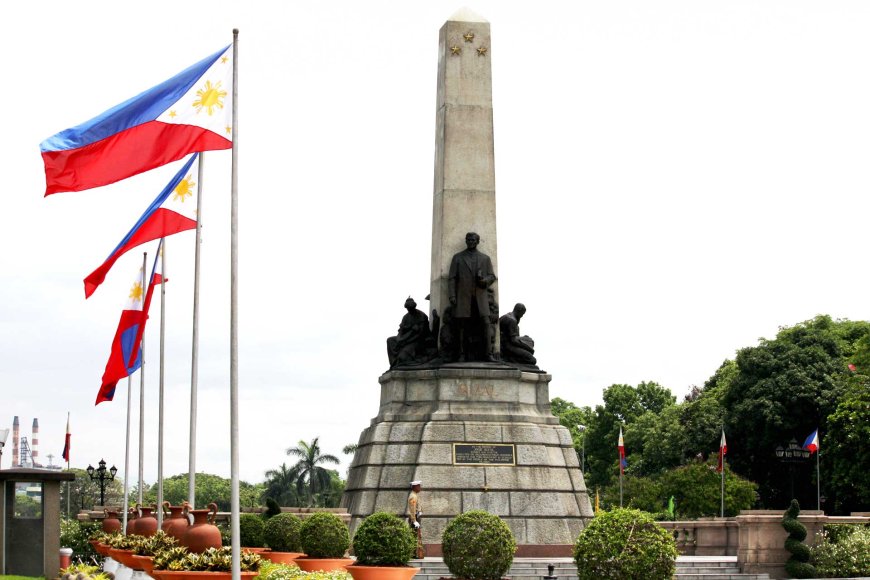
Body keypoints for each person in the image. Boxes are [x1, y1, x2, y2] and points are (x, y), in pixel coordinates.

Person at [447, 232, 497, 361]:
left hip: (480, 297)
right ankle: (461, 354)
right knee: (462, 327)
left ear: (478, 241)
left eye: (473, 240)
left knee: (486, 324)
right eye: (468, 239)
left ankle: (488, 354)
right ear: (466, 241)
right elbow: (452, 278)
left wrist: (484, 281)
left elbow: (492, 276)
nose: (471, 242)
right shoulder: (458, 258)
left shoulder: (485, 259)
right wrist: (452, 295)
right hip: (463, 298)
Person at [387, 297, 433, 368]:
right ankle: (393, 363)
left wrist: (406, 341)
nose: (409, 310)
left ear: (414, 307)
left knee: (403, 356)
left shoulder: (422, 316)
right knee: (390, 340)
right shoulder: (406, 317)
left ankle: (399, 362)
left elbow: (421, 335)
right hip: (405, 339)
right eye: (408, 309)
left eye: (410, 308)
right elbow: (401, 330)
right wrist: (399, 339)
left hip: (417, 341)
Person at [407, 480, 424, 558]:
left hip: (417, 517)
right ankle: (413, 554)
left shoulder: (415, 495)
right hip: (415, 518)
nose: (420, 487)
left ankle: (414, 553)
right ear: (415, 487)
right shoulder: (413, 496)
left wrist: (420, 510)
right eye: (419, 486)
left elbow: (417, 506)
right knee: (413, 536)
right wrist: (414, 521)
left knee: (415, 535)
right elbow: (412, 509)